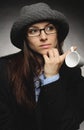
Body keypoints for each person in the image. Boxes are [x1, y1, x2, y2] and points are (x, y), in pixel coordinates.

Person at [0, 2, 84, 130]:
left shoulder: (72, 73)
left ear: (57, 33)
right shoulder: (3, 69)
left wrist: (52, 78)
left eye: (50, 28)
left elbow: (68, 126)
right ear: (25, 38)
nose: (44, 37)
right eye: (33, 31)